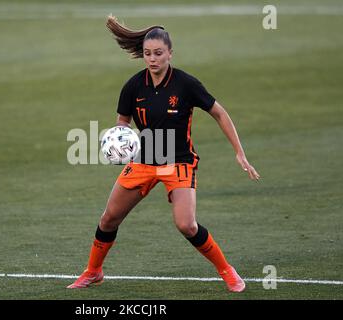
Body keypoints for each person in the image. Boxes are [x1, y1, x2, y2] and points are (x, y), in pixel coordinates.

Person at [67, 16, 260, 292]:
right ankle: (93, 271)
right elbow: (123, 123)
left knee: (186, 225)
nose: (152, 59)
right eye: (147, 54)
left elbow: (219, 112)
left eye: (158, 53)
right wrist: (120, 143)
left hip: (178, 161)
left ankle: (227, 271)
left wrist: (239, 153)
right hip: (144, 160)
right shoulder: (134, 86)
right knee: (109, 218)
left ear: (170, 53)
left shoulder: (186, 84)